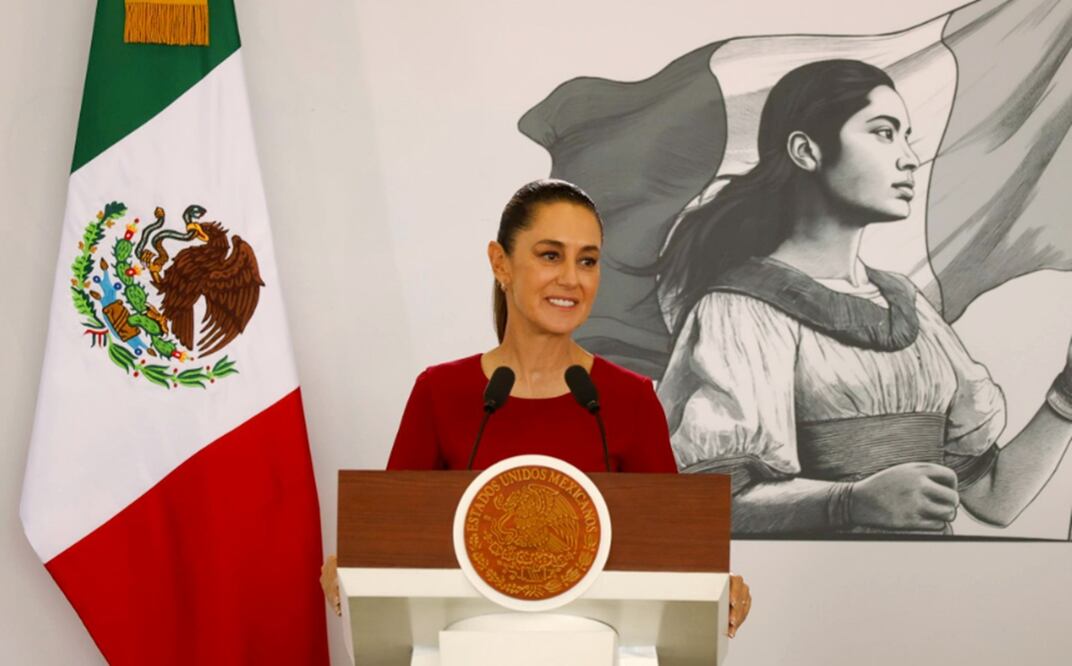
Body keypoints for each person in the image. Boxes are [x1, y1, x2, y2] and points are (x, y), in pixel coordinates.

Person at [654, 59, 1072, 535]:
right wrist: (849, 502)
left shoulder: (909, 306)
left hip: (929, 577)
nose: (909, 158)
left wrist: (1067, 392)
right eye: (883, 133)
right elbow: (699, 503)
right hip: (816, 577)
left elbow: (995, 499)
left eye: (906, 136)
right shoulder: (741, 310)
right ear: (805, 151)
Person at [323, 179, 752, 636]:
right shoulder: (440, 392)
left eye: (587, 261)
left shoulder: (630, 399)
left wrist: (715, 586)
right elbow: (393, 547)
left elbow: (672, 557)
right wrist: (353, 568)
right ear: (500, 263)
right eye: (550, 255)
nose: (571, 278)